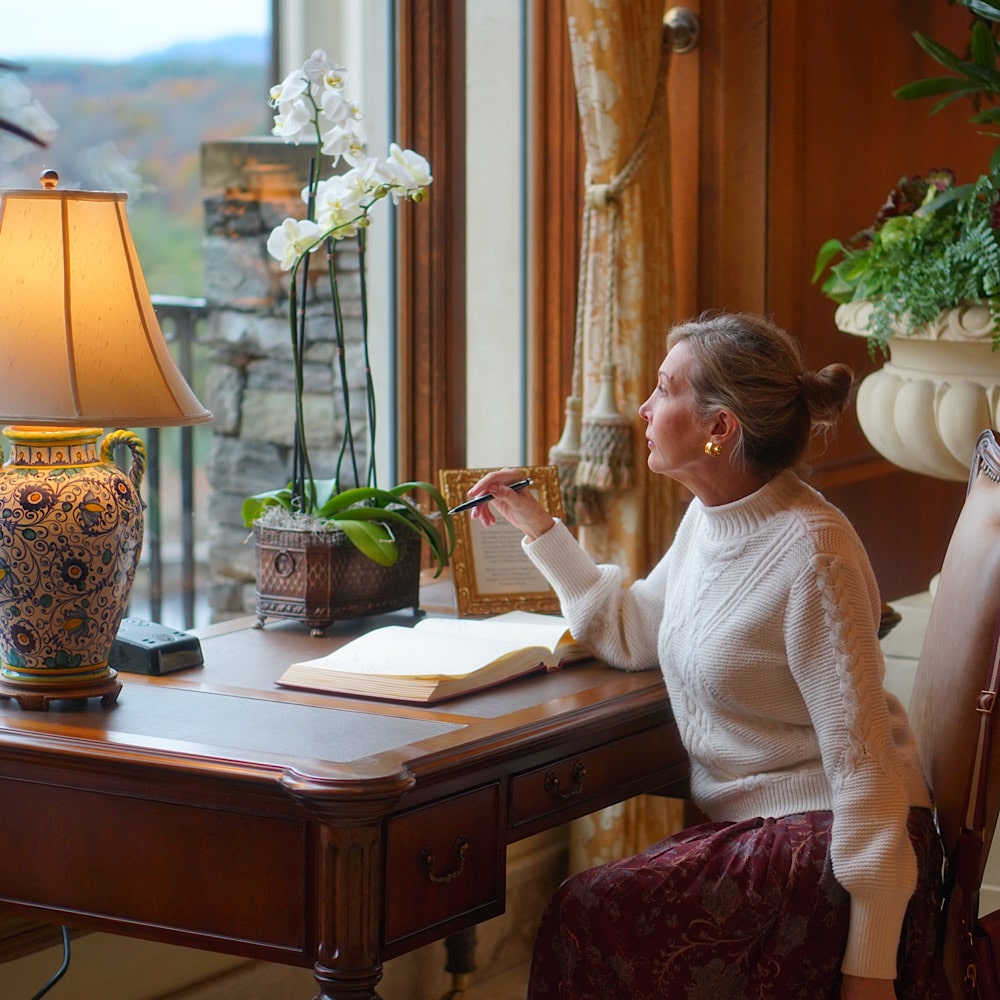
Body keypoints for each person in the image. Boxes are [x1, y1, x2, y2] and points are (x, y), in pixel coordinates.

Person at [464, 311, 946, 1000]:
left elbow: (864, 765)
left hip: (845, 843)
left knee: (589, 911)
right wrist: (538, 527)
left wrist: (870, 967)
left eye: (664, 390)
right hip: (783, 828)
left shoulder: (815, 554)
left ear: (719, 428)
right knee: (595, 911)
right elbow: (632, 631)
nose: (645, 407)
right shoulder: (712, 517)